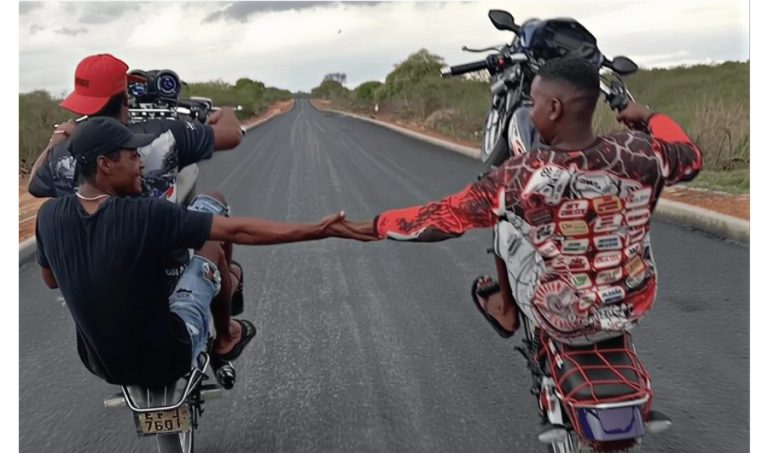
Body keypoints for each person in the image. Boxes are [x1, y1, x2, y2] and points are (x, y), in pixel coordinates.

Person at [341, 57, 702, 345]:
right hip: (635, 302)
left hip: (563, 312)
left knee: (504, 224)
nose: (531, 112)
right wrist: (651, 117)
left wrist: (371, 226)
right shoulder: (642, 152)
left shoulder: (519, 174)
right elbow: (689, 155)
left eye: (536, 103)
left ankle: (507, 311)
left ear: (555, 108)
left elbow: (444, 218)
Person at [34, 116, 372, 388]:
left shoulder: (48, 216)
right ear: (106, 164)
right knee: (210, 245)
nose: (141, 162)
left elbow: (51, 280)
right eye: (132, 154)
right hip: (169, 357)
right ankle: (225, 338)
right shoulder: (144, 215)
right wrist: (319, 229)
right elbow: (238, 230)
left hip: (102, 367)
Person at [27, 53, 243, 202]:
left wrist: (54, 142)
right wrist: (226, 112)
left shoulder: (59, 153)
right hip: (163, 259)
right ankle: (224, 271)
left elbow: (34, 186)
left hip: (91, 261)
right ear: (125, 99)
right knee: (214, 204)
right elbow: (232, 136)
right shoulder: (168, 134)